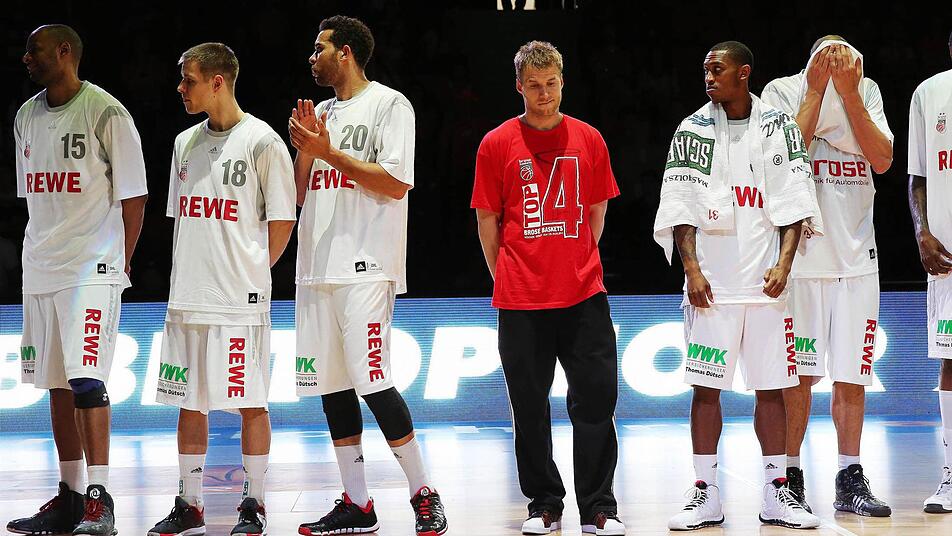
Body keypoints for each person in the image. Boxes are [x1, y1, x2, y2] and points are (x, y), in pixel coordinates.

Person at [289, 15, 447, 536]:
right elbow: (297, 194)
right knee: (332, 388)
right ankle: (357, 503)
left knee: (373, 381)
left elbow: (398, 181)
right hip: (315, 269)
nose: (312, 57)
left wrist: (328, 151)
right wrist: (305, 154)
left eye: (320, 48)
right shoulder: (322, 113)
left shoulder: (390, 104)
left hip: (366, 265)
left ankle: (424, 492)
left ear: (347, 53)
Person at [654, 41, 822, 530]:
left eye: (717, 69)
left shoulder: (778, 126)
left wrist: (784, 267)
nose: (708, 76)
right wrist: (692, 270)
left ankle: (776, 493)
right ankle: (705, 492)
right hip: (713, 287)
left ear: (743, 73)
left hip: (767, 286)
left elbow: (796, 201)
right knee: (705, 391)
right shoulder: (692, 128)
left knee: (771, 390)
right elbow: (680, 207)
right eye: (705, 69)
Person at [471, 40, 624, 536]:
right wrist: (512, 275)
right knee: (530, 410)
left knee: (596, 403)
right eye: (533, 86)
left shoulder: (590, 139)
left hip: (584, 295)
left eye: (551, 84)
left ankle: (600, 506)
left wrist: (574, 260)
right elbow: (488, 223)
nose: (543, 94)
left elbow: (597, 214)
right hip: (521, 301)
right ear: (519, 86)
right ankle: (544, 505)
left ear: (563, 81)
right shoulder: (496, 143)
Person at [146, 42, 296, 536]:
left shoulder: (263, 141)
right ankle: (190, 504)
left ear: (218, 81)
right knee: (190, 401)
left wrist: (251, 271)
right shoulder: (183, 143)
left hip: (240, 299)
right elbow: (182, 222)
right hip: (188, 294)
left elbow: (280, 221)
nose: (181, 89)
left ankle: (253, 503)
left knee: (251, 401)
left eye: (188, 80)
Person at [8, 24, 148, 536]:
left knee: (87, 379)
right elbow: (36, 195)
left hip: (92, 266)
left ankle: (100, 497)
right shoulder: (24, 116)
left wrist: (123, 259)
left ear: (65, 52)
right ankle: (69, 497)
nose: (26, 58)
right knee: (55, 383)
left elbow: (135, 194)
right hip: (40, 266)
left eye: (35, 50)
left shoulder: (106, 112)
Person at [762, 35, 894, 517]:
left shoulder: (868, 89)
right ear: (811, 59)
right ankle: (789, 476)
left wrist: (851, 94)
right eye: (828, 55)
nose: (837, 61)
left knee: (853, 376)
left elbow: (880, 157)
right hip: (801, 260)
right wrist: (817, 93)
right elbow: (782, 157)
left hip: (858, 257)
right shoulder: (782, 91)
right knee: (800, 375)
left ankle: (848, 476)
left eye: (845, 54)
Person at [908, 29, 952, 515]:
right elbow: (917, 175)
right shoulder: (930, 92)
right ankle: (951, 475)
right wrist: (922, 231)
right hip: (947, 254)